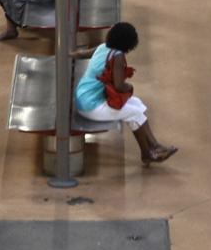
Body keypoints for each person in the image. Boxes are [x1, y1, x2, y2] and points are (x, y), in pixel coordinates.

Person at [75, 22, 178, 165]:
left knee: (138, 105)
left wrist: (67, 54)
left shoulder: (102, 47)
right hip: (91, 106)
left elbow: (81, 54)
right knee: (134, 113)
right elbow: (119, 85)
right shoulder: (117, 56)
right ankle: (150, 150)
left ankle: (151, 149)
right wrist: (129, 86)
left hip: (83, 97)